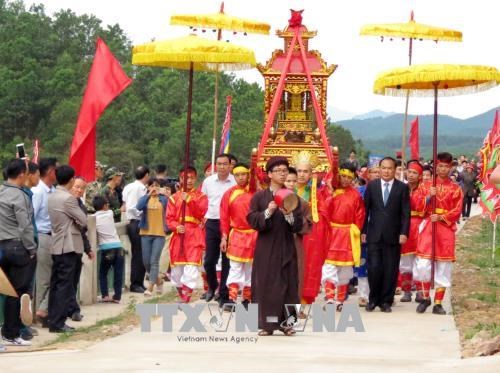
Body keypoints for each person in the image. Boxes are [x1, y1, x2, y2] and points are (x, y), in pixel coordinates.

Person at [247, 156, 303, 336]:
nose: (282, 173)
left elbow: (298, 225)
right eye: (278, 170)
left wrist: (288, 215)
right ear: (269, 174)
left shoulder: (292, 197)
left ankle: (288, 324)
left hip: (286, 246)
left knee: (290, 284)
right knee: (265, 284)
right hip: (266, 247)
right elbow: (252, 220)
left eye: (285, 170)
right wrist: (268, 211)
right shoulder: (260, 197)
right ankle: (266, 324)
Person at [414, 152, 463, 315]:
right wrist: (428, 197)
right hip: (428, 226)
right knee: (423, 264)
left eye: (446, 166)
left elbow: (457, 210)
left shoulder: (456, 188)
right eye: (440, 166)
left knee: (443, 266)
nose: (442, 169)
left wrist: (442, 216)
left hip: (445, 229)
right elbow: (415, 203)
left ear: (451, 168)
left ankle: (438, 303)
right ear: (435, 166)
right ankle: (426, 297)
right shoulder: (426, 185)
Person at [362, 156, 410, 313]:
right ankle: (373, 299)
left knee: (390, 269)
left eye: (390, 168)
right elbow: (365, 211)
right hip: (374, 234)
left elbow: (405, 213)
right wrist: (363, 231)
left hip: (393, 236)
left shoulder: (402, 188)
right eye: (384, 168)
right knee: (374, 268)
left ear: (395, 170)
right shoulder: (372, 186)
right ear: (380, 169)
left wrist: (404, 232)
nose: (387, 171)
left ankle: (386, 301)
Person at [0, 159, 37, 346]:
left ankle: (6, 331)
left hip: (1, 247)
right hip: (17, 248)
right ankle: (12, 333)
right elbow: (25, 226)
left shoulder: (1, 192)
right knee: (18, 292)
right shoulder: (19, 195)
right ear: (22, 173)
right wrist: (31, 249)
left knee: (4, 291)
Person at [47, 165, 87, 333]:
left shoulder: (52, 195)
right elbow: (83, 220)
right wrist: (76, 221)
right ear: (71, 180)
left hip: (57, 244)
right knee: (65, 285)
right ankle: (58, 322)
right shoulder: (68, 198)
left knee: (56, 284)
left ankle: (52, 319)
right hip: (69, 245)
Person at [322, 164, 365, 311]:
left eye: (349, 177)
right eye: (343, 176)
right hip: (331, 233)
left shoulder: (356, 195)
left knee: (345, 270)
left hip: (347, 234)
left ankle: (340, 301)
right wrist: (329, 194)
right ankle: (329, 299)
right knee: (329, 267)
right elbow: (324, 211)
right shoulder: (330, 192)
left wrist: (356, 231)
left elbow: (360, 216)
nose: (345, 180)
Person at [166, 167, 208, 303]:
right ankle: (181, 293)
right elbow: (169, 219)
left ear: (196, 179)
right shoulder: (173, 198)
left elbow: (201, 213)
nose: (189, 181)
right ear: (180, 179)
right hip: (179, 235)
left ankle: (185, 297)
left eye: (191, 178)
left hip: (194, 233)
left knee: (191, 266)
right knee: (177, 270)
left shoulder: (201, 196)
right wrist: (176, 227)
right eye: (185, 178)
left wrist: (189, 200)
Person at [292, 150, 328, 305]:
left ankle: (304, 299)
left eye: (305, 171)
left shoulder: (316, 193)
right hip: (289, 234)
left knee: (308, 266)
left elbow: (322, 214)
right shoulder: (287, 190)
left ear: (311, 173)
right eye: (299, 171)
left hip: (308, 236)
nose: (301, 175)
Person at [219, 163, 257, 309]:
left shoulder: (255, 192)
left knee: (250, 269)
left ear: (248, 174)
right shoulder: (229, 193)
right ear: (233, 176)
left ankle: (247, 299)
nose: (241, 177)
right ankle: (232, 298)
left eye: (243, 174)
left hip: (254, 234)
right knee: (235, 267)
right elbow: (224, 217)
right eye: (237, 175)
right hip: (236, 235)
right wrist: (224, 237)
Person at [201, 154, 236, 307]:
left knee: (227, 260)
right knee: (209, 260)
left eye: (224, 164)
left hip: (230, 223)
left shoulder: (236, 182)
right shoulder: (208, 181)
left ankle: (224, 294)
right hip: (212, 222)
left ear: (230, 166)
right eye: (219, 164)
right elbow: (202, 201)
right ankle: (212, 284)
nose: (221, 167)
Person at [31, 157, 57, 326]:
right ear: (49, 171)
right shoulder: (38, 192)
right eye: (56, 170)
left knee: (52, 275)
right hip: (42, 236)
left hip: (52, 236)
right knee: (44, 278)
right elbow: (31, 216)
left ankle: (43, 310)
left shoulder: (52, 190)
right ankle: (41, 313)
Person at [399, 161, 427, 303]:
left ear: (420, 176)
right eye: (409, 172)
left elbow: (422, 208)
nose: (411, 175)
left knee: (419, 260)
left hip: (419, 226)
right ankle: (406, 291)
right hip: (404, 226)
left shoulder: (424, 190)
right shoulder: (400, 188)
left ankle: (420, 291)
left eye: (414, 173)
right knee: (405, 261)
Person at [67, 176, 94, 322]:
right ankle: (72, 310)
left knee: (74, 280)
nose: (79, 190)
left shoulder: (80, 205)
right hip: (66, 246)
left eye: (82, 188)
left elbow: (82, 230)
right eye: (76, 186)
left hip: (78, 246)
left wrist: (87, 248)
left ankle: (72, 309)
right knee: (67, 281)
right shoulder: (66, 202)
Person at [284, 167, 312, 303]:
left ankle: (294, 307)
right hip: (277, 243)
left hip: (295, 242)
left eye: (293, 181)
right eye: (288, 180)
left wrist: (295, 223)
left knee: (297, 273)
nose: (291, 184)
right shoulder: (271, 200)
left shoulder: (303, 203)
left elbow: (309, 221)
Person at [137, 177, 169, 296]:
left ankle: (150, 288)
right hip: (145, 233)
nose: (154, 188)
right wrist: (148, 195)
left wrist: (166, 195)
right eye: (151, 185)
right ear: (148, 187)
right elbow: (138, 207)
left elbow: (171, 207)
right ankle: (159, 281)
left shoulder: (163, 199)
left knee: (154, 261)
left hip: (159, 233)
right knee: (146, 262)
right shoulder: (144, 199)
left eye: (156, 185)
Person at [122, 165, 149, 293]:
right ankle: (135, 283)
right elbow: (133, 207)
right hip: (137, 222)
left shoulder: (129, 186)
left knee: (141, 253)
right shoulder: (138, 188)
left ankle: (139, 281)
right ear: (146, 175)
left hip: (136, 222)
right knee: (138, 254)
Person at [93, 195, 124, 303]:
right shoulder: (110, 213)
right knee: (118, 273)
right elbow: (117, 211)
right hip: (118, 247)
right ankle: (117, 297)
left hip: (107, 249)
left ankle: (105, 295)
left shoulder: (94, 217)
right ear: (105, 206)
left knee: (103, 273)